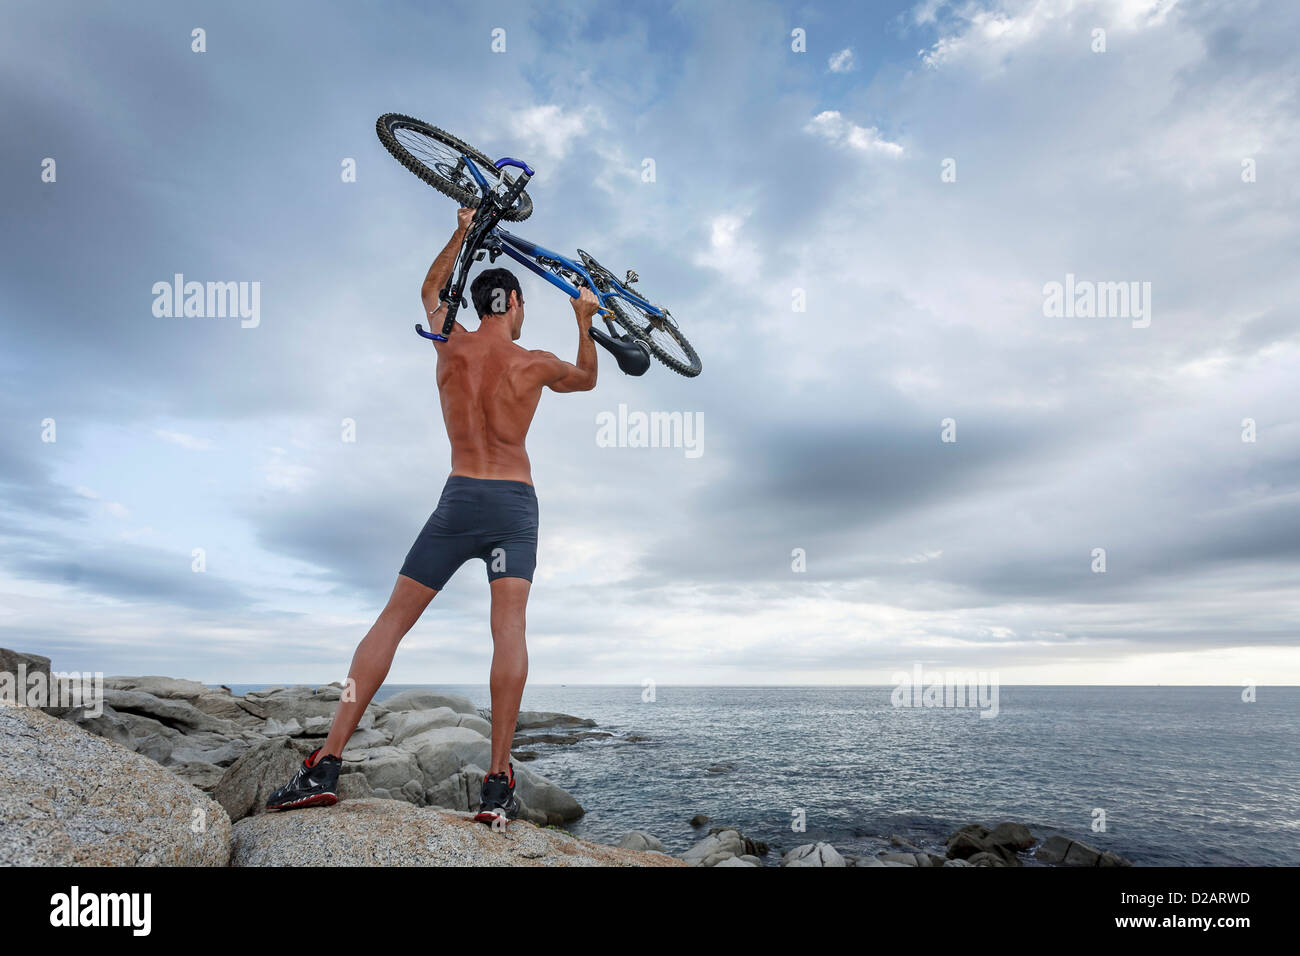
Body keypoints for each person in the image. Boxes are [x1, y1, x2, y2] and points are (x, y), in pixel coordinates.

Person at [266, 206, 599, 821]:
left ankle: (326, 764)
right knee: (509, 631)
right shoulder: (534, 362)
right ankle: (497, 784)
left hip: (458, 500)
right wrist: (584, 320)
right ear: (516, 302)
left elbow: (427, 289)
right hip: (512, 504)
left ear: (480, 305)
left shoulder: (450, 342)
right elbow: (586, 379)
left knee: (390, 623)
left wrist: (462, 228)